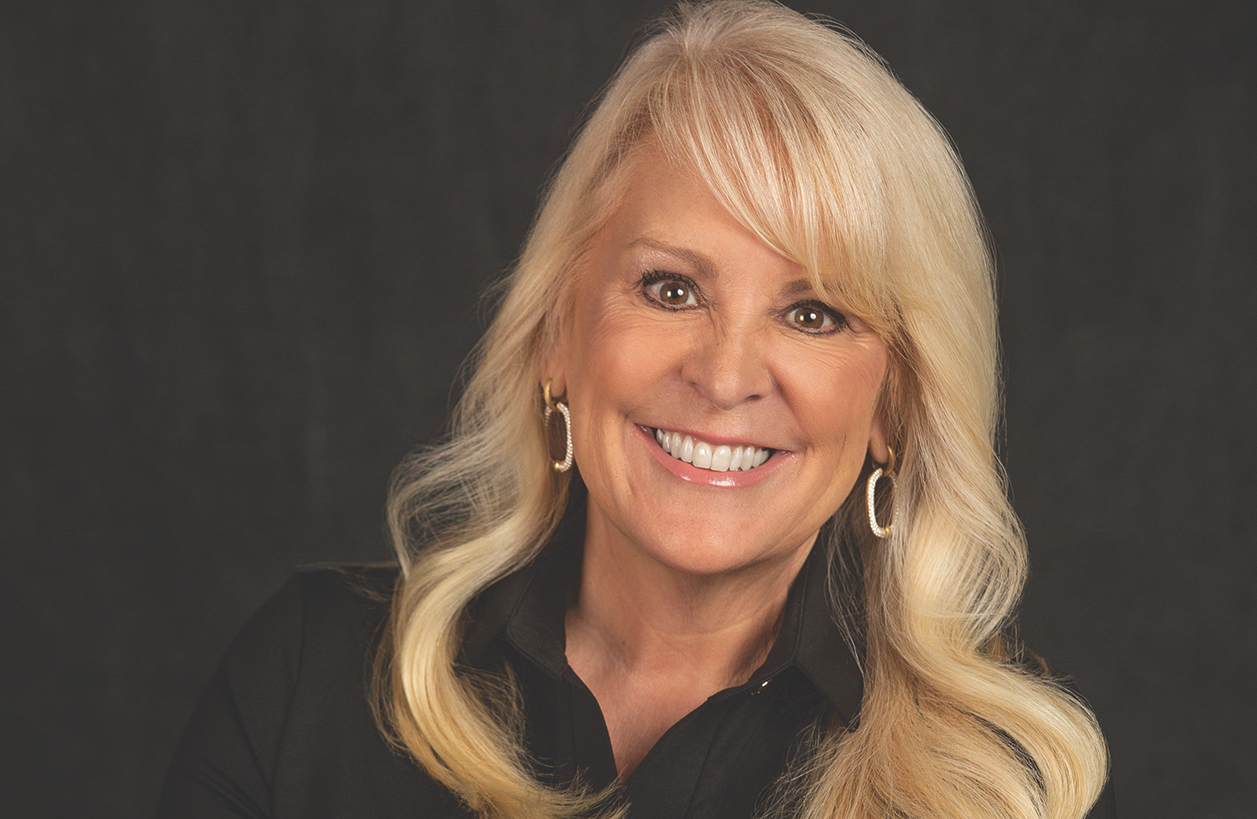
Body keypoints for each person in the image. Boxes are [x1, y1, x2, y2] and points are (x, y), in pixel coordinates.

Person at [156, 2, 1113, 817]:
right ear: (555, 336)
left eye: (813, 312)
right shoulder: (307, 681)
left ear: (892, 410)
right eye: (669, 289)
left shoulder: (990, 786)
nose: (726, 371)